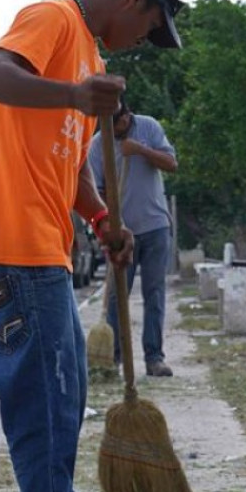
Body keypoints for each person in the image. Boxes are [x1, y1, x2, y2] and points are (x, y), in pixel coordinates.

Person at [0, 0, 184, 492]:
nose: (144, 38)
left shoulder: (88, 53)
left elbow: (71, 169)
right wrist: (72, 94)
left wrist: (101, 219)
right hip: (16, 255)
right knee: (45, 409)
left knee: (62, 406)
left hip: (47, 256)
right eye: (150, 25)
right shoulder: (52, 19)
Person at [88, 97, 178, 377]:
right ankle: (113, 360)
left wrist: (140, 149)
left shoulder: (149, 127)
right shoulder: (97, 146)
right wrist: (112, 221)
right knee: (117, 298)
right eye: (116, 125)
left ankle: (154, 358)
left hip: (155, 227)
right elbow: (95, 190)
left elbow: (171, 163)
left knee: (154, 294)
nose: (122, 126)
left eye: (124, 120)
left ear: (128, 113)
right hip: (121, 232)